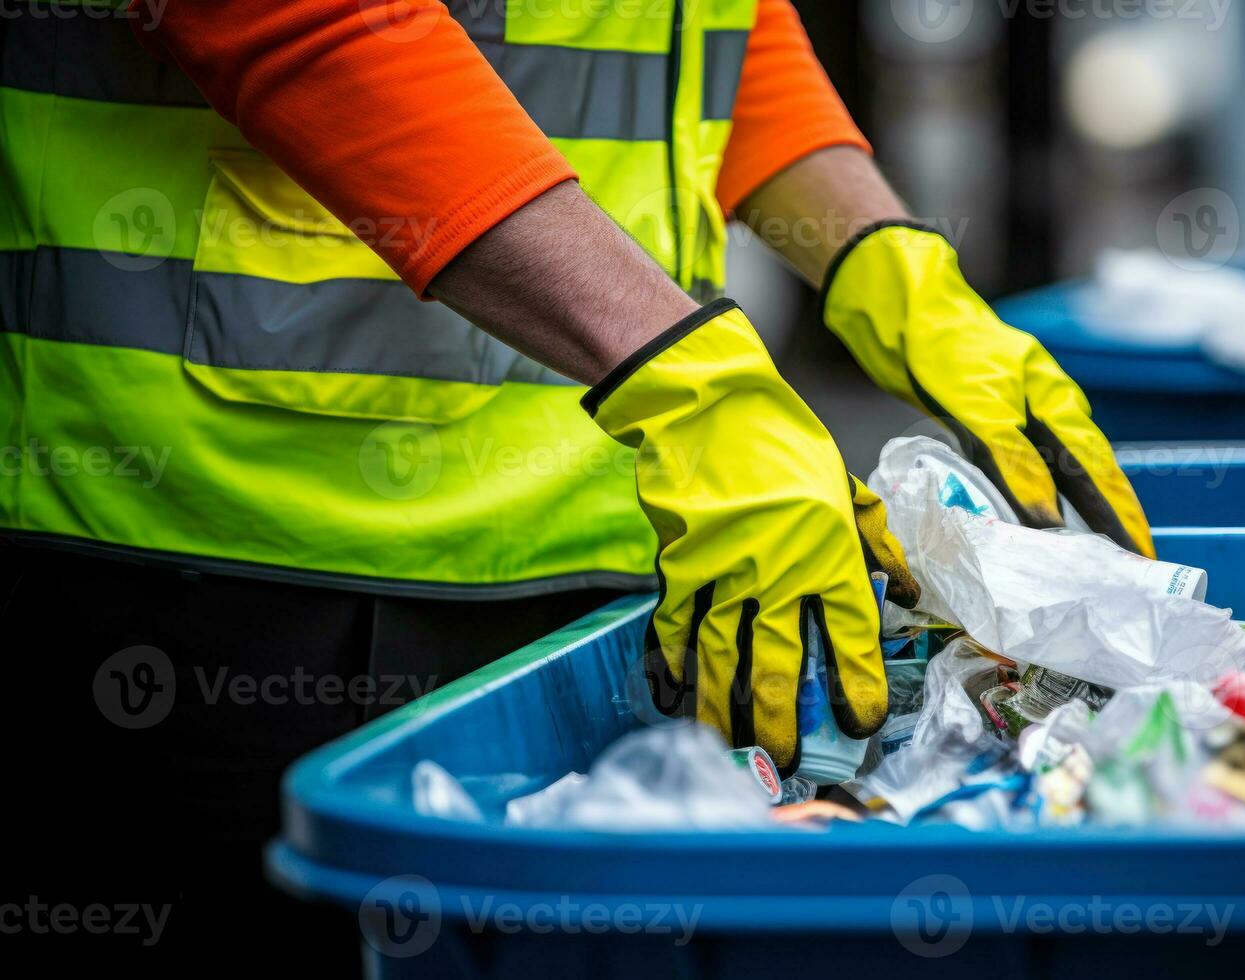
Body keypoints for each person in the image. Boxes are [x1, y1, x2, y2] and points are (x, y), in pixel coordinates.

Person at [0, 0, 1152, 965]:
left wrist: (874, 252)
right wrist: (680, 370)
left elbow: (696, 30)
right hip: (250, 537)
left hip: (605, 522)